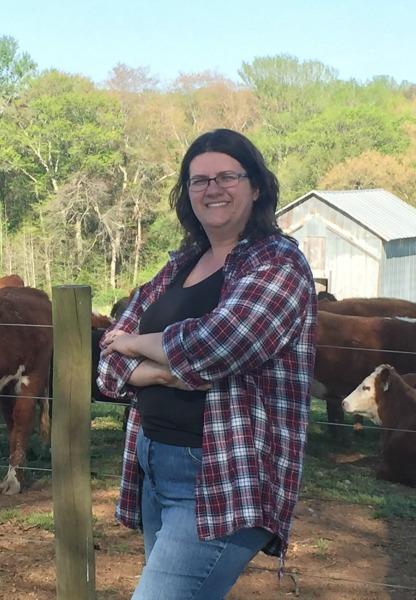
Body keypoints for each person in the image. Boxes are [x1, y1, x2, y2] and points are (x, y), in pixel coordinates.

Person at [98, 128, 316, 600]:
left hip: (220, 476)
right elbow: (108, 363)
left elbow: (223, 342)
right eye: (198, 181)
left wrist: (137, 343)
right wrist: (155, 368)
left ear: (256, 187)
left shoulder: (279, 263)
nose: (212, 189)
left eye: (226, 177)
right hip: (153, 464)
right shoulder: (180, 264)